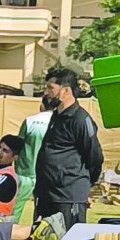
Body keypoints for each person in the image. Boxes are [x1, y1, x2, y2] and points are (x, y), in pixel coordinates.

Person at [30, 64, 104, 231]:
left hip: (67, 197)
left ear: (66, 91)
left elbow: (95, 157)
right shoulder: (56, 116)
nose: (46, 92)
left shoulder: (80, 119)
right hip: (46, 195)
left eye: (51, 88)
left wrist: (81, 185)